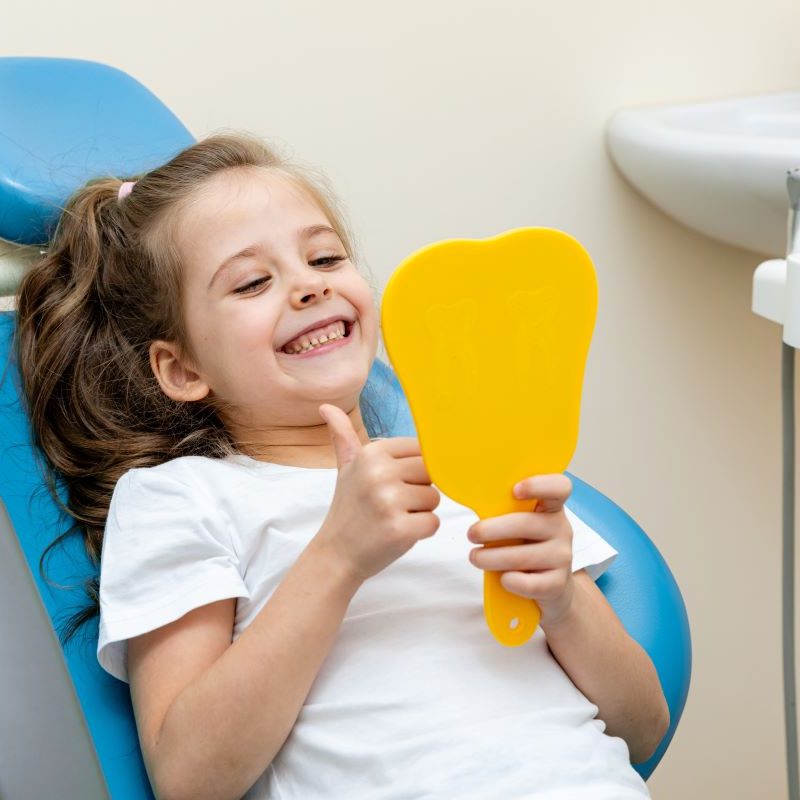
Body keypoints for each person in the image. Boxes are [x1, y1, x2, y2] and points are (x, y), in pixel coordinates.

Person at [13, 132, 669, 799]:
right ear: (182, 369)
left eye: (324, 256)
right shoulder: (182, 498)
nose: (308, 286)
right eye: (252, 282)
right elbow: (189, 777)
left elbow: (642, 730)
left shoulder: (478, 469)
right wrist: (338, 556)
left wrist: (562, 596)